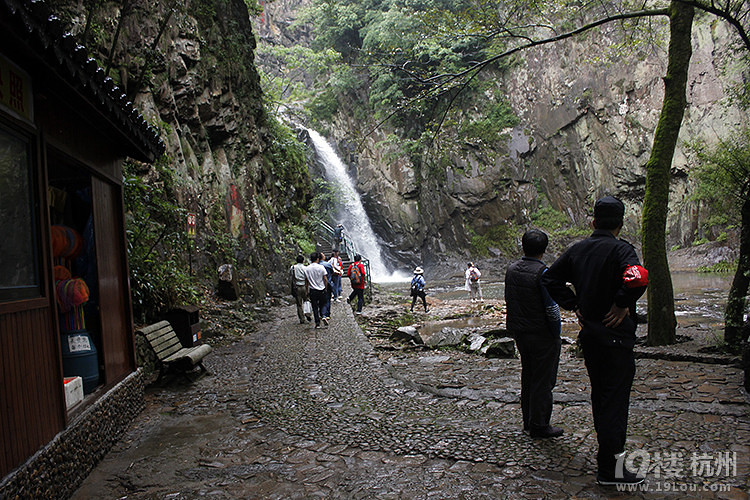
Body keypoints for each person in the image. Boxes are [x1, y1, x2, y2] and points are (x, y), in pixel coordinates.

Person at [541, 196, 648, 486]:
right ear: (621, 223)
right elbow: (638, 277)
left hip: (590, 336)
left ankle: (607, 463)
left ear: (593, 222)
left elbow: (549, 279)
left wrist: (574, 303)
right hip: (616, 336)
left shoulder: (578, 249)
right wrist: (622, 303)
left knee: (601, 397)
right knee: (614, 401)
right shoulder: (622, 249)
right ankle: (611, 471)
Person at [505, 230, 562, 439]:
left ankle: (528, 421)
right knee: (543, 379)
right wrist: (556, 333)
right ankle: (540, 424)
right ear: (544, 250)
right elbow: (551, 308)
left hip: (520, 332)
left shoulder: (511, 270)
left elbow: (510, 299)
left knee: (528, 375)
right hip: (541, 333)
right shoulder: (543, 272)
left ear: (523, 246)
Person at [304, 252, 329, 329]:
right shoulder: (321, 267)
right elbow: (325, 279)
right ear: (318, 259)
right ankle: (324, 315)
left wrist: (306, 291)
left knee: (314, 307)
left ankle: (317, 323)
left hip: (312, 290)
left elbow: (306, 281)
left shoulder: (307, 268)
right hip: (321, 289)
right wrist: (326, 287)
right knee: (324, 304)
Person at [289, 255, 310, 324]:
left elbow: (290, 276)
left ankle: (302, 319)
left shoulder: (293, 268)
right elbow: (307, 277)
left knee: (299, 304)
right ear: (303, 261)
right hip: (304, 286)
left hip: (296, 287)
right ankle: (308, 314)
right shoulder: (305, 268)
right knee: (307, 301)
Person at [319, 252, 334, 322]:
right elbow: (332, 272)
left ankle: (321, 314)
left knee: (320, 300)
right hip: (327, 284)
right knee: (327, 299)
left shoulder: (317, 265)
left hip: (318, 285)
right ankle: (327, 314)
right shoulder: (327, 264)